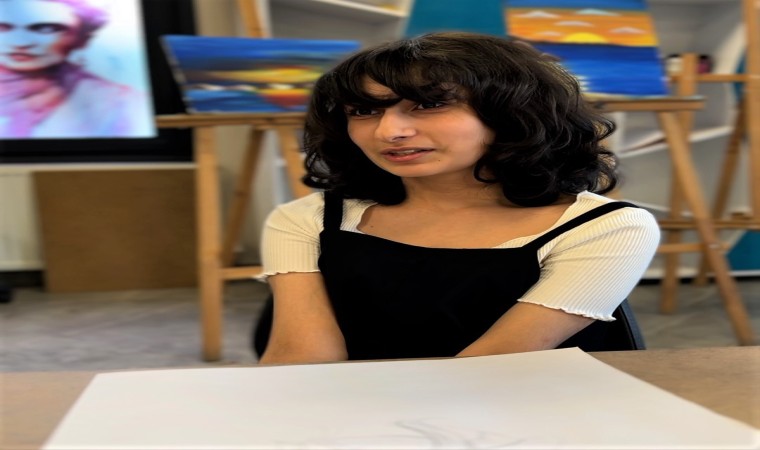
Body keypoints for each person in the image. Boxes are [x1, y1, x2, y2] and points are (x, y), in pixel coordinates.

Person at [256, 32, 660, 364]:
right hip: (351, 417)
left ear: (514, 113)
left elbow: (487, 369)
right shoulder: (309, 218)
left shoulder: (605, 228)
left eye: (429, 104)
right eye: (363, 111)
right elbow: (302, 361)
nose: (389, 132)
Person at [0, 0, 152, 138]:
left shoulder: (125, 105)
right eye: (2, 27)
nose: (19, 43)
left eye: (46, 29)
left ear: (83, 39)